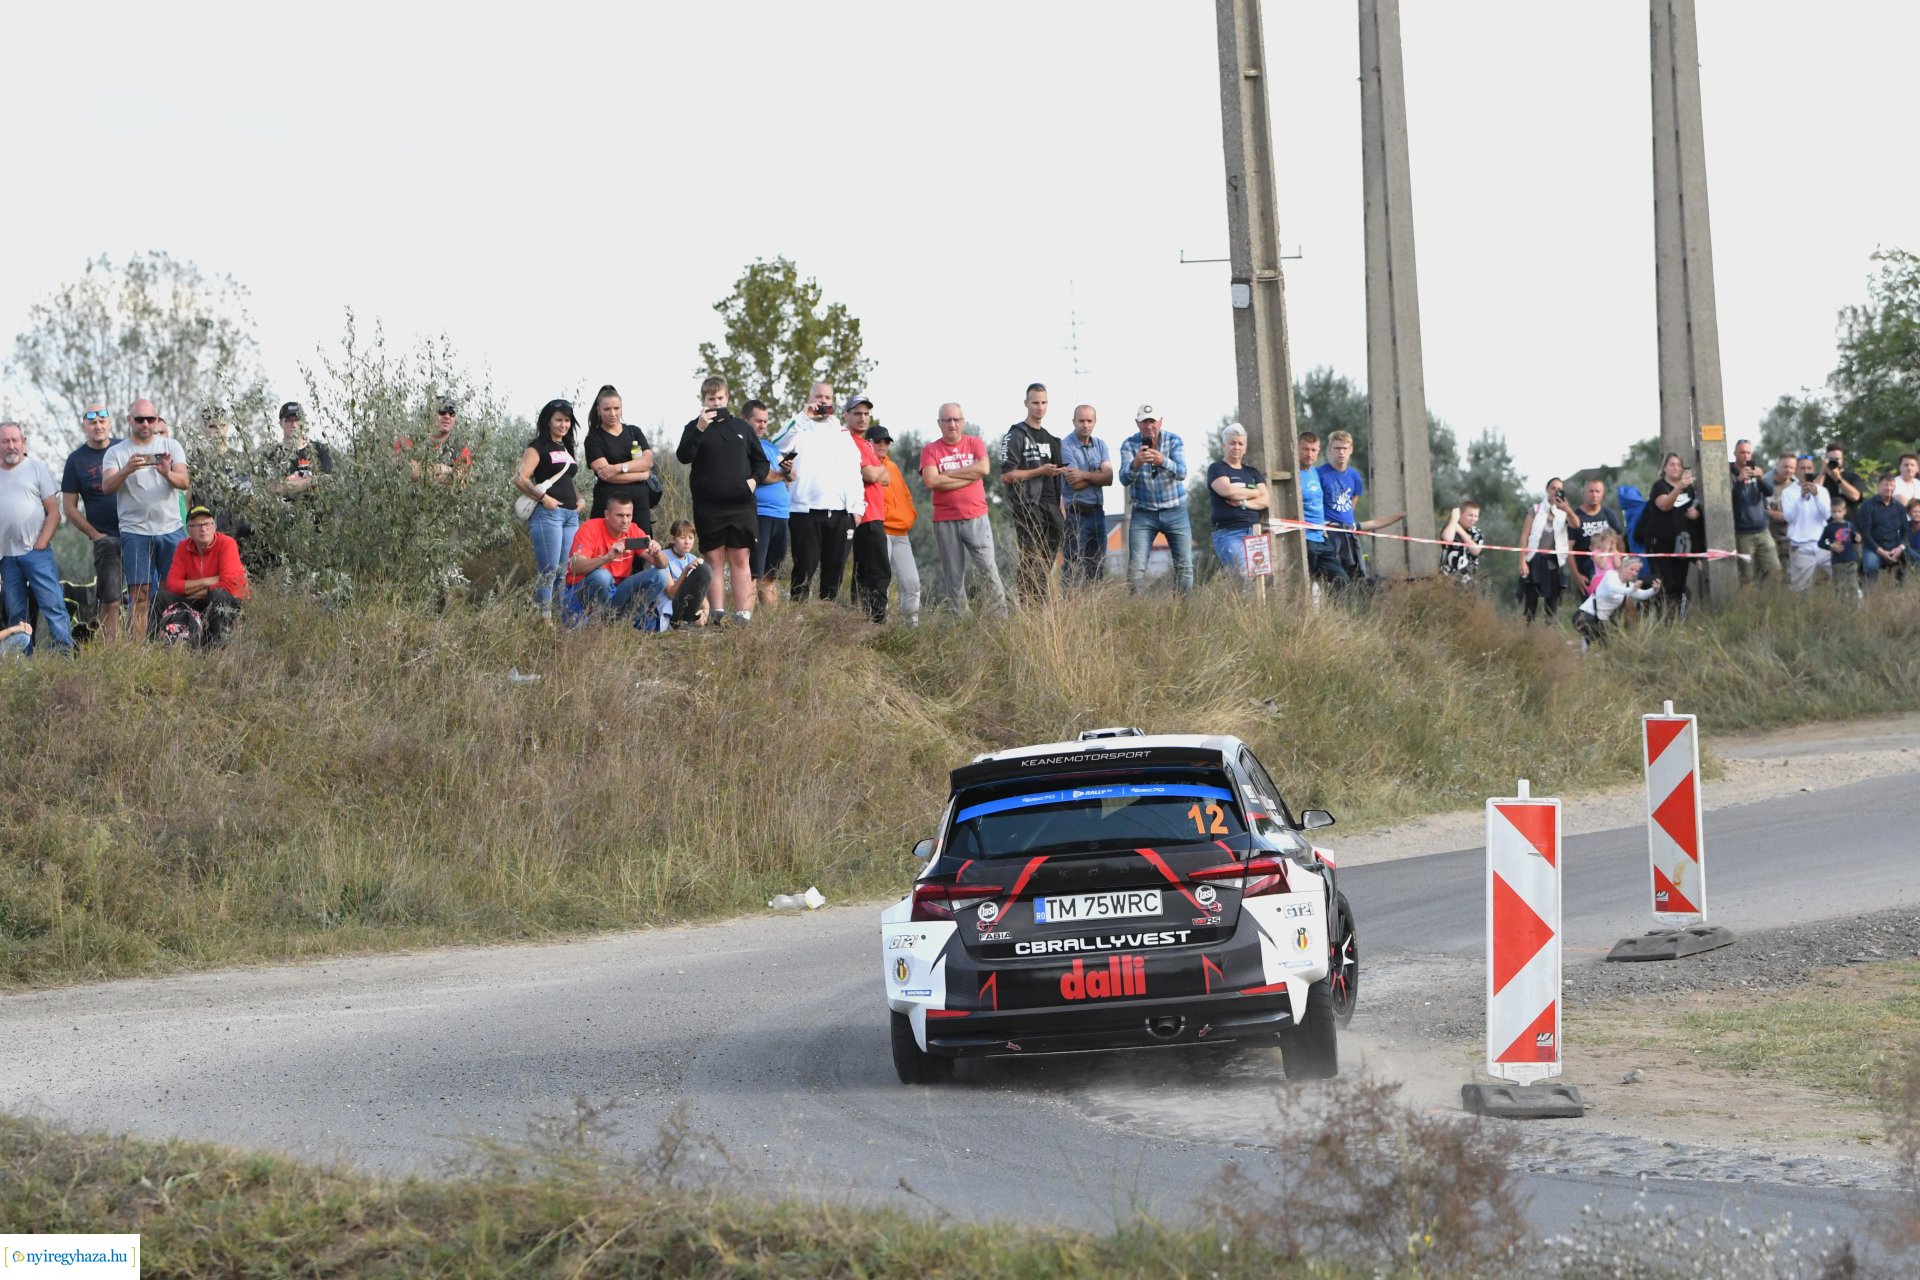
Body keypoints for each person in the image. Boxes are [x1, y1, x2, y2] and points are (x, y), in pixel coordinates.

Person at [678, 376, 768, 624]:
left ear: (727, 398)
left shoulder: (742, 428)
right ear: (703, 400)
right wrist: (699, 428)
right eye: (710, 398)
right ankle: (717, 614)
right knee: (714, 559)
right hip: (709, 507)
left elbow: (761, 462)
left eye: (719, 398)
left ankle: (743, 615)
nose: (716, 402)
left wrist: (753, 482)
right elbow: (683, 456)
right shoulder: (694, 427)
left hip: (741, 506)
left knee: (740, 558)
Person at [101, 399, 190, 638]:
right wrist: (127, 469)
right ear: (129, 420)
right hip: (135, 532)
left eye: (150, 419)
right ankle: (138, 652)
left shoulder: (171, 445)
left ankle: (172, 642)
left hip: (171, 529)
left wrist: (166, 472)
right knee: (139, 594)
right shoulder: (116, 453)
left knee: (172, 592)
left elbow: (184, 482)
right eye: (139, 419)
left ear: (157, 419)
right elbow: (107, 487)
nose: (145, 424)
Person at [919, 402, 1006, 615]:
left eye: (956, 419)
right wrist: (968, 476)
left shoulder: (975, 442)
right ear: (939, 423)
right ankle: (961, 621)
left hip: (976, 516)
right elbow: (931, 480)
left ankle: (1001, 619)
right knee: (954, 576)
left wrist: (945, 476)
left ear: (963, 422)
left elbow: (983, 468)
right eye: (947, 420)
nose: (952, 424)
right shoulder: (930, 450)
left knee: (988, 568)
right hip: (945, 519)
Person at [0, 422, 74, 654]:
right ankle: (22, 660)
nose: (11, 445)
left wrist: (40, 545)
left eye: (15, 440)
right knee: (15, 612)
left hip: (36, 553)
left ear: (24, 443)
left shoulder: (36, 468)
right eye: (5, 441)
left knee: (52, 604)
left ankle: (63, 654)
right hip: (6, 557)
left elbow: (54, 512)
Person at [786, 383, 862, 604]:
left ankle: (826, 621)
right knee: (803, 569)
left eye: (827, 397)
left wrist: (857, 508)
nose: (823, 401)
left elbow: (854, 472)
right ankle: (796, 616)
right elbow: (778, 445)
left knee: (834, 572)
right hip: (805, 511)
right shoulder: (799, 427)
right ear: (809, 399)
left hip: (841, 513)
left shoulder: (841, 433)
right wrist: (803, 416)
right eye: (818, 396)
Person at [514, 398, 583, 622]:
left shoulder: (566, 447)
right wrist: (543, 498)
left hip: (571, 516)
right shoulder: (538, 446)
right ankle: (543, 621)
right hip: (548, 515)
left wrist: (580, 499)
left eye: (566, 420)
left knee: (564, 572)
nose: (563, 425)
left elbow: (567, 479)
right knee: (549, 571)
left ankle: (559, 620)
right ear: (548, 421)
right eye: (558, 420)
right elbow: (519, 478)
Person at [60, 402, 124, 636]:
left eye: (102, 421)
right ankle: (112, 651)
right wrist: (95, 535)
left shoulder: (123, 448)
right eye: (92, 422)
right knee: (111, 598)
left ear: (109, 422)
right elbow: (69, 508)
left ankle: (141, 648)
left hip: (136, 533)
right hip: (106, 539)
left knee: (143, 594)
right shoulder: (76, 460)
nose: (98, 426)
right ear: (84, 426)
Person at [1000, 383, 1065, 605]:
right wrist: (1040, 471)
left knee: (1046, 561)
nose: (1040, 407)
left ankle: (1040, 602)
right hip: (1028, 505)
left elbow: (1059, 478)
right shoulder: (1016, 435)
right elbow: (1007, 475)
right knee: (1030, 558)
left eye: (1043, 402)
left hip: (1052, 506)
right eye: (1035, 402)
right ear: (1026, 403)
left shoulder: (1052, 439)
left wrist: (1061, 509)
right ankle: (1030, 606)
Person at [1314, 429, 1405, 583]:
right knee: (1331, 578)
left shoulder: (1354, 476)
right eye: (1337, 448)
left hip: (1349, 532)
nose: (1341, 452)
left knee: (1356, 577)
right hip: (1329, 532)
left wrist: (1401, 515)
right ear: (1330, 450)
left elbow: (1352, 503)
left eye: (1344, 448)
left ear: (1350, 450)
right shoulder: (1320, 474)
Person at [1118, 404, 1192, 592]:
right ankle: (1137, 611)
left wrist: (1163, 461)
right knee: (1136, 569)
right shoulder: (1128, 444)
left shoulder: (1174, 440)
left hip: (1175, 509)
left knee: (1185, 568)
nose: (1149, 426)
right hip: (1143, 512)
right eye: (1144, 422)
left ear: (1160, 422)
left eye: (1152, 421)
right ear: (1137, 423)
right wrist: (1135, 463)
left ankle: (1184, 611)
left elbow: (1183, 473)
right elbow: (1124, 479)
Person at [152, 505, 248, 646]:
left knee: (217, 595)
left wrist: (198, 590)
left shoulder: (227, 543)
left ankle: (217, 647)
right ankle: (153, 644)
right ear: (189, 530)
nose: (203, 529)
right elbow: (172, 585)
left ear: (214, 526)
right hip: (197, 603)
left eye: (206, 524)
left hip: (228, 602)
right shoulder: (182, 547)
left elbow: (229, 584)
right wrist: (209, 581)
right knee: (159, 597)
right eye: (196, 525)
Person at [562, 493, 662, 626]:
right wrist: (607, 558)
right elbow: (575, 566)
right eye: (620, 515)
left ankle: (622, 623)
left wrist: (657, 553)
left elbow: (663, 564)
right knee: (602, 576)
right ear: (607, 514)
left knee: (660, 575)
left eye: (628, 515)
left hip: (617, 591)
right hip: (584, 592)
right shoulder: (590, 529)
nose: (625, 520)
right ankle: (596, 622)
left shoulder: (632, 530)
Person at [844, 394, 892, 623]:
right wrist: (877, 468)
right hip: (864, 515)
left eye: (866, 414)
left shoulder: (866, 443)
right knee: (877, 571)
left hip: (873, 514)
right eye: (857, 413)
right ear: (846, 415)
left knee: (867, 571)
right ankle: (876, 621)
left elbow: (886, 479)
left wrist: (877, 470)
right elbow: (872, 474)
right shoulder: (848, 441)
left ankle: (865, 621)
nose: (863, 418)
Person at [582, 385, 654, 532]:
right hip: (609, 503)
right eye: (607, 409)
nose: (612, 413)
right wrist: (641, 475)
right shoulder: (593, 438)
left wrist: (617, 468)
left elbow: (648, 461)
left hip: (639, 504)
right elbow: (607, 476)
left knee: (642, 547)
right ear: (598, 410)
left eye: (616, 408)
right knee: (609, 549)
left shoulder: (634, 431)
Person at [869, 421, 920, 625]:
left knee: (912, 581)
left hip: (901, 532)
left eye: (887, 441)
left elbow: (906, 496)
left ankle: (912, 625)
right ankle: (880, 624)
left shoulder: (893, 467)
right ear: (869, 443)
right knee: (883, 582)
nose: (883, 445)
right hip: (881, 530)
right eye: (878, 441)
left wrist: (910, 515)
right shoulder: (867, 468)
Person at [1639, 451, 1702, 615]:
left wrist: (1695, 514)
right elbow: (1665, 505)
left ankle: (1677, 622)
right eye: (1672, 464)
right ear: (1664, 468)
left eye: (1679, 465)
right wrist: (1678, 487)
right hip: (1659, 543)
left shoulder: (1689, 490)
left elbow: (1691, 516)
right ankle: (1659, 620)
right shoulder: (1659, 487)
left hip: (1681, 544)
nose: (1675, 468)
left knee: (1678, 585)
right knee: (1662, 585)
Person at [1206, 423, 1267, 582]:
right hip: (1228, 533)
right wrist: (1254, 492)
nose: (1236, 447)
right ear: (1224, 445)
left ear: (1245, 447)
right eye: (1232, 443)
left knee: (1258, 578)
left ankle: (1253, 607)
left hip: (1254, 532)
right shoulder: (1217, 468)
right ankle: (1243, 607)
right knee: (1244, 572)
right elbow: (1228, 491)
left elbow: (1266, 500)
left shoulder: (1252, 472)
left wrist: (1243, 503)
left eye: (1240, 444)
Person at [1060, 404, 1112, 588]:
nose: (1085, 425)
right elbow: (1074, 482)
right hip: (1076, 515)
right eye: (1081, 420)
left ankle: (1092, 610)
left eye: (1089, 420)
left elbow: (1109, 478)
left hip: (1098, 513)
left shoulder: (1101, 445)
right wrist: (1097, 474)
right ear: (1074, 421)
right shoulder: (1065, 445)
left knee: (1096, 567)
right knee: (1073, 567)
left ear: (1095, 422)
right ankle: (1070, 610)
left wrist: (1085, 474)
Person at [745, 399, 790, 610]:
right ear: (746, 420)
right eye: (758, 421)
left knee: (771, 575)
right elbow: (762, 476)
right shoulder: (743, 445)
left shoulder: (770, 446)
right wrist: (781, 474)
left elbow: (793, 475)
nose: (763, 425)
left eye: (765, 421)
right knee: (754, 572)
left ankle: (771, 625)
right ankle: (747, 619)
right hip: (760, 515)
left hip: (782, 515)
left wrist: (786, 471)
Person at [1573, 555, 1659, 651]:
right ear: (1623, 567)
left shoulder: (1628, 586)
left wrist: (1654, 589)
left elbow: (1643, 595)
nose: (1634, 573)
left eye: (1637, 571)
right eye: (1632, 569)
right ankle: (1584, 653)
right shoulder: (1610, 575)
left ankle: (1585, 655)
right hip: (1584, 615)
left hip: (1600, 621)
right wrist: (1631, 590)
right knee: (1600, 641)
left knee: (1607, 646)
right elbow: (1613, 589)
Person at [1296, 432, 1346, 589]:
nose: (1309, 454)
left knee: (1342, 582)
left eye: (1313, 450)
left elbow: (1317, 502)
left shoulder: (1314, 473)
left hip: (1321, 538)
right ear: (1297, 449)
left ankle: (1337, 614)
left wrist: (1323, 528)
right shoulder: (1294, 475)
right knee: (1306, 588)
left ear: (1318, 451)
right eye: (1305, 449)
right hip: (1305, 540)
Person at [1517, 478, 1571, 623]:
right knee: (1530, 606)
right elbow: (1524, 535)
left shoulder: (1564, 513)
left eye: (1559, 489)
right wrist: (1522, 560)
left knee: (1552, 608)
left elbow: (1576, 525)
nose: (1555, 491)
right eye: (1553, 488)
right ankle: (1528, 639)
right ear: (1547, 490)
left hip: (1554, 562)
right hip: (1534, 560)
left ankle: (1549, 639)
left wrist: (1568, 509)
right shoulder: (1535, 510)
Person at [1726, 439, 1779, 585]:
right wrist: (1738, 481)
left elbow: (1769, 492)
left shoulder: (1756, 471)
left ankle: (1769, 601)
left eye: (1748, 452)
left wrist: (1761, 478)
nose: (1745, 455)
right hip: (1743, 533)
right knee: (1747, 577)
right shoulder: (1728, 474)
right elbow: (1727, 500)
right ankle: (1748, 605)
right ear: (1735, 453)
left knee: (1775, 570)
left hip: (1763, 530)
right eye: (1742, 452)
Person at [1780, 455, 1832, 592]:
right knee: (1800, 590)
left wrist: (1816, 496)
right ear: (1796, 470)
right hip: (1801, 546)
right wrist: (1801, 498)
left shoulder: (1822, 491)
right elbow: (1789, 518)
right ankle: (1802, 613)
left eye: (1809, 468)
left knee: (1843, 577)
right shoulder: (1788, 492)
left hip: (1823, 544)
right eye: (1802, 468)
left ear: (1813, 470)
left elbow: (1827, 515)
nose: (1806, 471)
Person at [1566, 478, 1625, 595]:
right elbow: (1568, 549)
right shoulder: (1575, 516)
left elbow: (1619, 542)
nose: (1594, 495)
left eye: (1597, 491)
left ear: (1602, 494)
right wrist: (1577, 575)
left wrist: (1620, 566)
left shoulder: (1610, 514)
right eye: (1591, 491)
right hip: (1587, 571)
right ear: (1584, 493)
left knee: (1616, 605)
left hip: (1610, 569)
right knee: (1590, 609)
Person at [654, 519, 712, 628]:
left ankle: (694, 621)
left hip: (693, 608)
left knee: (738, 621)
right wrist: (685, 571)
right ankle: (686, 622)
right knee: (704, 570)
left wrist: (705, 611)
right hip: (673, 612)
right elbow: (671, 594)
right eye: (682, 537)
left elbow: (700, 592)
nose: (687, 542)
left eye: (691, 538)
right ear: (673, 539)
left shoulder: (692, 558)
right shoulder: (662, 557)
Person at [1854, 472, 1908, 586]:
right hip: (1873, 547)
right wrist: (1881, 552)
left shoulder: (1900, 508)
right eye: (1886, 485)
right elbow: (1866, 533)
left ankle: (1899, 593)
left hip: (1894, 547)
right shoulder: (1867, 505)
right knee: (1871, 566)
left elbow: (1905, 531)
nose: (1889, 488)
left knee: (1908, 560)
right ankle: (1869, 595)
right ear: (1879, 485)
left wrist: (1900, 548)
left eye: (1891, 485)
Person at [270, 402, 333, 494]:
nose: (294, 425)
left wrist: (291, 484)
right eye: (289, 420)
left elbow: (328, 481)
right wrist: (312, 481)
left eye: (297, 419)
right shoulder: (272, 454)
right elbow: (274, 488)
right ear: (281, 423)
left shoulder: (320, 449)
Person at [1821, 496, 1860, 594]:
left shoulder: (1849, 525)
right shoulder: (1828, 528)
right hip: (1837, 562)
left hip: (1851, 560)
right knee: (1839, 587)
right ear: (1830, 512)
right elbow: (1820, 543)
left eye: (1839, 511)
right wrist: (1831, 546)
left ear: (1844, 511)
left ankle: (1854, 606)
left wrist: (1857, 539)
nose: (1836, 514)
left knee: (1853, 586)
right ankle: (1841, 606)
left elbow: (1854, 539)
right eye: (1833, 512)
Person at [1438, 501, 1484, 583]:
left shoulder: (1477, 532)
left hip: (1469, 580)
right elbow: (1447, 539)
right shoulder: (1450, 526)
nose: (1473, 519)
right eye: (1470, 515)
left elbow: (1476, 551)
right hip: (1447, 579)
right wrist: (1453, 520)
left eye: (1476, 516)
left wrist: (1459, 529)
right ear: (1460, 514)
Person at [1766, 450, 1797, 569]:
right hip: (1770, 540)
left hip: (1790, 541)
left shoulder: (1797, 487)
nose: (1788, 470)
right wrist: (1770, 513)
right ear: (1777, 465)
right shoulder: (1766, 484)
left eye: (1792, 467)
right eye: (1785, 466)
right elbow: (1755, 508)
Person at [1820, 443, 1864, 511]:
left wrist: (1838, 479)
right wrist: (1822, 473)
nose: (1834, 462)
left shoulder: (1853, 477)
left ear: (1842, 459)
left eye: (1837, 459)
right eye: (1831, 459)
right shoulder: (1821, 477)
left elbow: (1856, 497)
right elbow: (1811, 494)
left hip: (1849, 519)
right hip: (1827, 520)